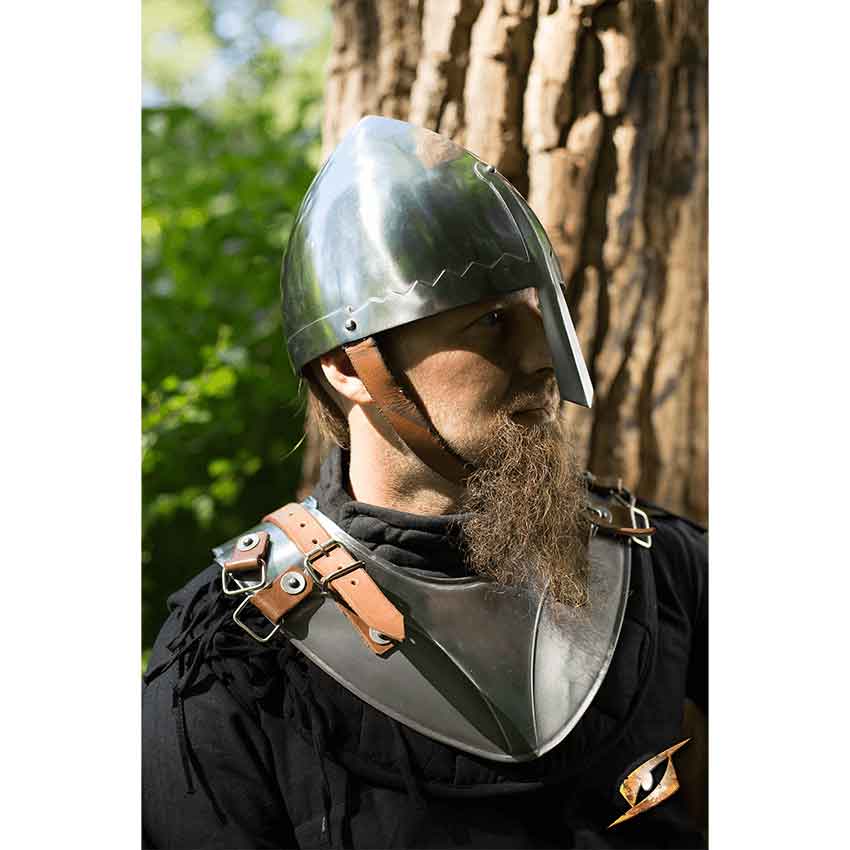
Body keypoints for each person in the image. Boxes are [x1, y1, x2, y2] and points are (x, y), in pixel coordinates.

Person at [142, 116, 707, 849]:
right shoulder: (237, 653)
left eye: (538, 313)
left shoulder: (659, 567)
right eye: (491, 321)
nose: (542, 357)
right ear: (348, 366)